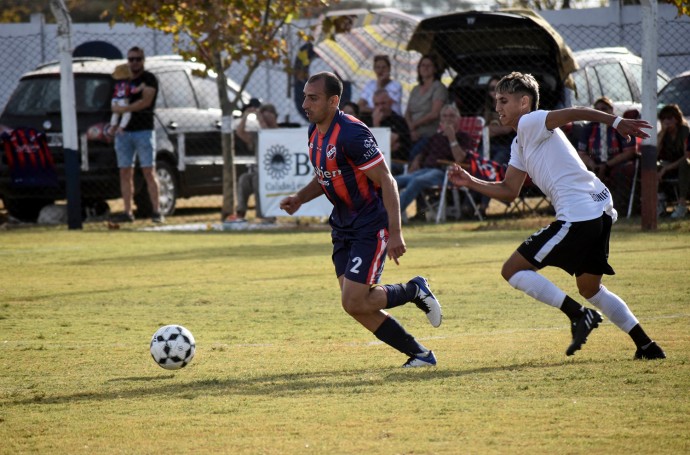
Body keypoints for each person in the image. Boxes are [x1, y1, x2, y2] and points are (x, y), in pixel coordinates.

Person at [448, 72, 666, 360]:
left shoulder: (530, 121)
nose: (497, 107)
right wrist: (471, 181)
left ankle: (578, 316)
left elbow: (575, 112)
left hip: (579, 216)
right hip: (598, 211)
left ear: (524, 102)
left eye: (503, 100)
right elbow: (509, 190)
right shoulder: (520, 142)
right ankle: (647, 345)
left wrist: (617, 122)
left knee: (511, 270)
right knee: (590, 288)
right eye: (496, 100)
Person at [280, 71, 442, 368]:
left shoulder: (353, 134)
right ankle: (420, 354)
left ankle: (413, 291)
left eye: (312, 98)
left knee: (355, 300)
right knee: (354, 304)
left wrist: (395, 232)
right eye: (304, 96)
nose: (305, 103)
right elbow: (327, 175)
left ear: (334, 101)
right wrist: (300, 198)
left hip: (370, 224)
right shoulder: (314, 131)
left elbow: (388, 181)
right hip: (342, 226)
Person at [110, 47, 163, 223]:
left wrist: (125, 109)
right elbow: (114, 103)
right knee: (125, 171)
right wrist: (115, 118)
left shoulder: (149, 79)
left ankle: (156, 211)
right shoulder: (121, 80)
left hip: (143, 131)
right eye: (131, 59)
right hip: (123, 133)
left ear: (143, 60)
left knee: (148, 170)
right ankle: (127, 212)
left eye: (138, 59)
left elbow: (145, 102)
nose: (134, 63)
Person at [396, 104, 471, 221]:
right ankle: (375, 212)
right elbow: (423, 153)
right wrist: (417, 160)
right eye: (445, 116)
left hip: (444, 172)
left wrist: (452, 138)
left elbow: (460, 159)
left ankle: (390, 216)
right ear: (441, 120)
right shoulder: (436, 137)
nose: (448, 119)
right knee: (395, 181)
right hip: (425, 170)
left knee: (417, 181)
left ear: (458, 119)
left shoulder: (463, 137)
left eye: (452, 116)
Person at [577, 96, 637, 211]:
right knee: (581, 172)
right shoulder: (588, 128)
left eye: (604, 109)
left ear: (611, 110)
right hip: (595, 163)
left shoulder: (620, 126)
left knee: (624, 170)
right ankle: (585, 208)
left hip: (616, 163)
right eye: (597, 109)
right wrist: (593, 165)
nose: (600, 112)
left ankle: (620, 207)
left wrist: (608, 165)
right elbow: (582, 153)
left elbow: (629, 152)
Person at [228, 103, 280, 222]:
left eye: (268, 115)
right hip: (258, 171)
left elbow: (267, 132)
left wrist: (259, 116)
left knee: (258, 180)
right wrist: (245, 116)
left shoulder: (279, 132)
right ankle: (240, 213)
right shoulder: (258, 135)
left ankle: (264, 215)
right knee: (244, 179)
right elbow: (240, 133)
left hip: (275, 173)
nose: (264, 118)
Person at [404, 55, 447, 160]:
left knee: (413, 156)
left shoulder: (438, 87)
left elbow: (434, 114)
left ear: (435, 69)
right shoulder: (415, 89)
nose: (425, 68)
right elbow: (407, 112)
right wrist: (411, 128)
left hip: (429, 133)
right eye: (422, 65)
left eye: (429, 65)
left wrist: (414, 125)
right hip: (411, 131)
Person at [656, 104, 690, 219]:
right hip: (669, 164)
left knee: (685, 164)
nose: (666, 121)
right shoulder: (663, 134)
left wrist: (667, 168)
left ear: (677, 118)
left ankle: (681, 205)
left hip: (684, 164)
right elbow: (654, 154)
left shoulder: (684, 131)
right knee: (654, 166)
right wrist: (661, 134)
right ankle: (660, 203)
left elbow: (687, 156)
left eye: (670, 118)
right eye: (663, 118)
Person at [371, 89, 411, 175]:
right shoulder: (368, 120)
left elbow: (382, 145)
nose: (380, 107)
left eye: (383, 103)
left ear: (390, 102)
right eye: (377, 104)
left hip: (396, 161)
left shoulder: (399, 121)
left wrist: (376, 125)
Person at [357, 55, 403, 122]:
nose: (381, 70)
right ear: (374, 69)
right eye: (378, 67)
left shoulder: (396, 85)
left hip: (392, 120)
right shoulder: (370, 84)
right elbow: (359, 106)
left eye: (384, 67)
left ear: (389, 69)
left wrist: (380, 84)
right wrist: (374, 110)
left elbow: (385, 108)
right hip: (371, 118)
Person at [482, 76, 515, 165]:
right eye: (492, 88)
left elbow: (507, 129)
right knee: (478, 162)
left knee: (494, 165)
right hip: (487, 144)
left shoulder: (510, 106)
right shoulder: (485, 108)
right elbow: (481, 130)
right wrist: (497, 129)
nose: (495, 91)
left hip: (505, 145)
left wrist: (489, 129)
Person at [106, 63, 145, 137]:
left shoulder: (116, 84)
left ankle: (112, 126)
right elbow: (134, 91)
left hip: (114, 100)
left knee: (116, 113)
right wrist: (141, 87)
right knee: (127, 113)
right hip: (123, 100)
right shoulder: (128, 83)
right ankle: (121, 127)